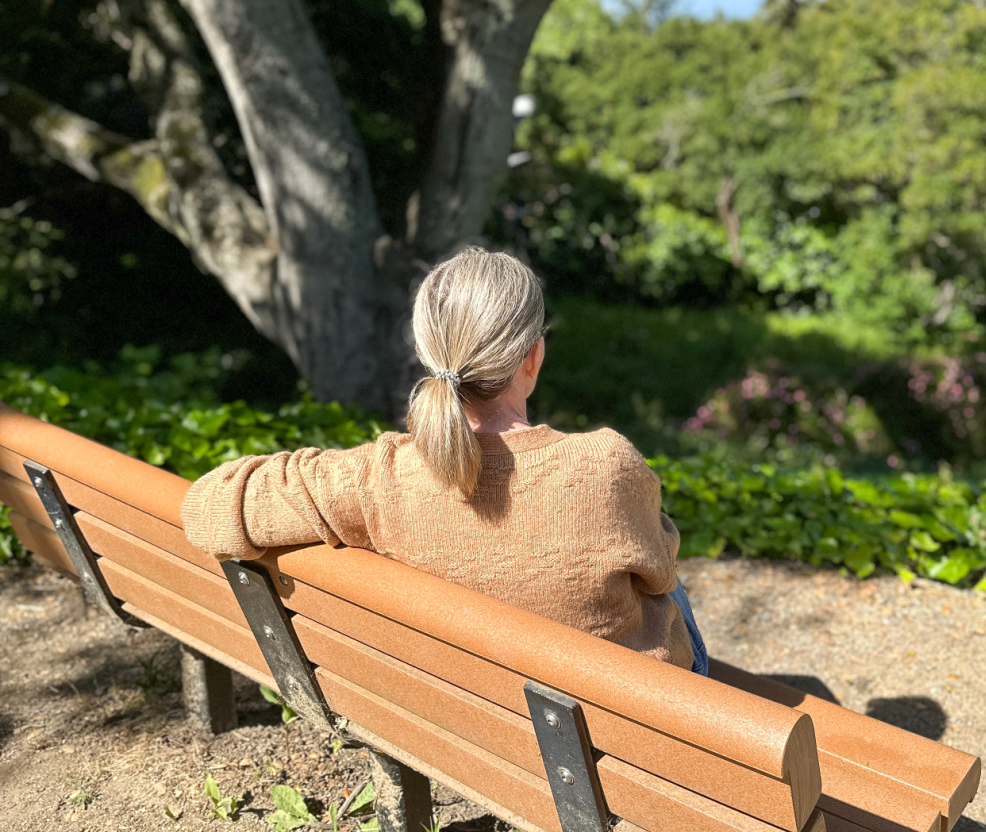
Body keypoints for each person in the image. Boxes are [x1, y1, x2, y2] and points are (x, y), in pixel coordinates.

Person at [181, 247, 708, 673]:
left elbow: (206, 506)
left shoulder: (379, 478)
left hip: (465, 721)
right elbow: (659, 565)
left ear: (427, 352)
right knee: (665, 580)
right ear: (533, 355)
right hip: (621, 746)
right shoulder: (606, 465)